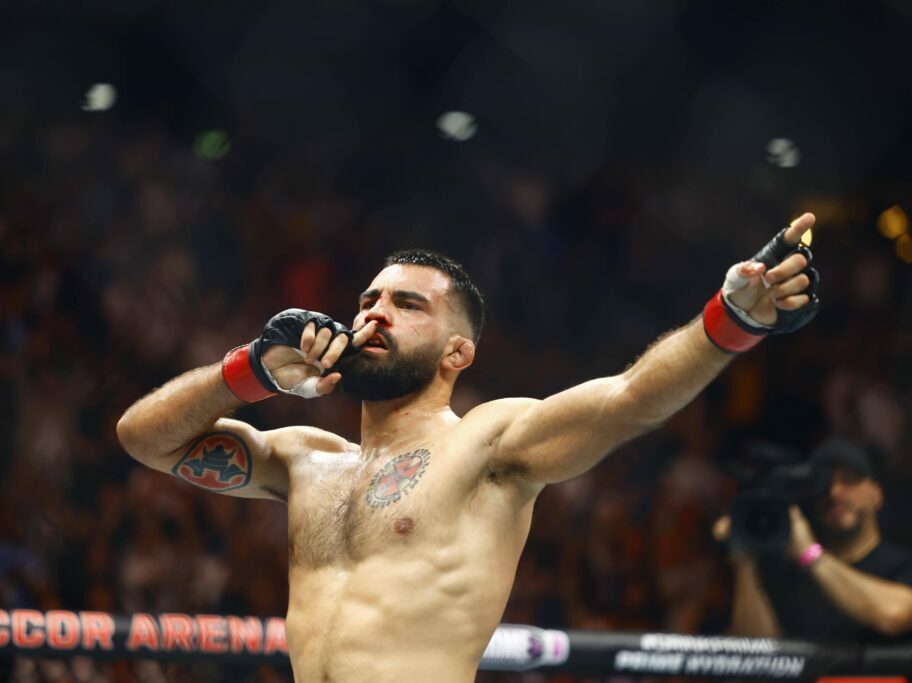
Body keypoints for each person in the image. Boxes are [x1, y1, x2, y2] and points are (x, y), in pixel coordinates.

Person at [118, 215, 820, 682]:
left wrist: (728, 323)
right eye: (368, 299)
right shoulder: (306, 458)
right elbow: (143, 438)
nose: (373, 313)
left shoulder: (486, 443)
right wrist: (250, 370)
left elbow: (629, 398)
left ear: (459, 350)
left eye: (408, 304)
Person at [716, 438, 912, 641]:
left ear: (876, 494)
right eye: (823, 483)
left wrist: (812, 554)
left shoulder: (904, 563)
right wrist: (745, 559)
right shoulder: (794, 573)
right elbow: (756, 649)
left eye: (849, 480)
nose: (834, 492)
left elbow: (895, 614)